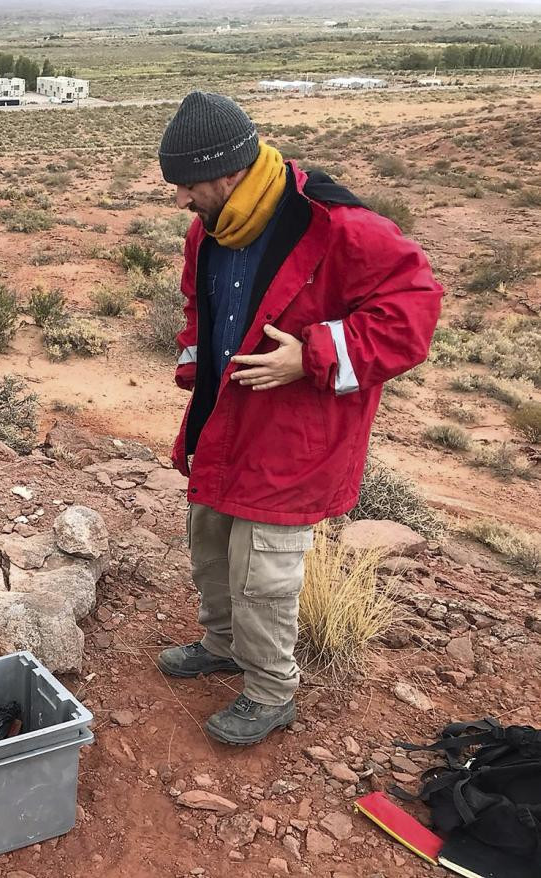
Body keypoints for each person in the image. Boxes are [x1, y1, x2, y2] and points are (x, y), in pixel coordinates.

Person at [154, 92, 443, 745]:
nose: (180, 201)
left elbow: (415, 312)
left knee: (264, 576)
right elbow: (199, 311)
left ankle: (270, 691)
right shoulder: (209, 230)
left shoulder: (338, 227)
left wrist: (313, 356)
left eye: (188, 185)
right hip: (222, 424)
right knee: (211, 548)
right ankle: (222, 644)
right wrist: (195, 375)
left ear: (227, 172)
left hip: (292, 439)